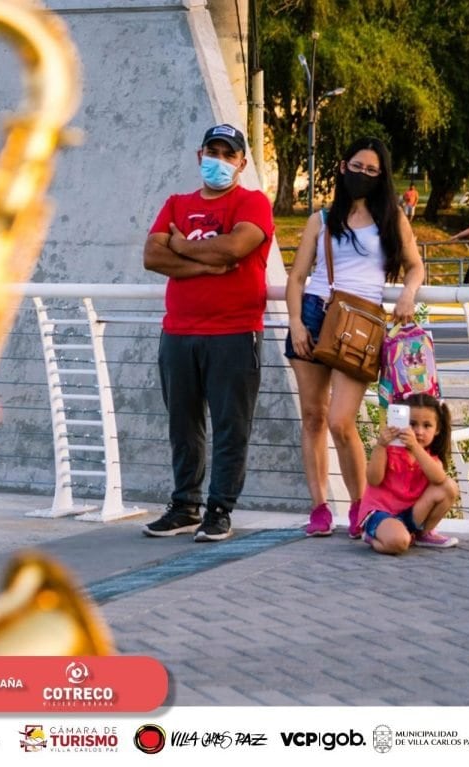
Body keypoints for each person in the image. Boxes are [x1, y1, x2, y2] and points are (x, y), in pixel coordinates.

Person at [285, 136, 425, 538]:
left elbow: (415, 267)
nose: (362, 174)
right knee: (312, 417)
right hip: (314, 315)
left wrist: (408, 295)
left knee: (341, 421)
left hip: (361, 325)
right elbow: (297, 277)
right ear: (343, 167)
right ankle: (319, 508)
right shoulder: (322, 219)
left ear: (381, 177)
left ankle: (362, 506)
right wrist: (295, 321)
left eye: (371, 170)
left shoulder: (392, 218)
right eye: (356, 166)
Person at [142, 123, 274, 542]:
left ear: (242, 162)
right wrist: (206, 265)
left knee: (231, 424)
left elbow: (236, 248)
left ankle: (219, 509)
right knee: (183, 422)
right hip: (179, 331)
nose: (218, 160)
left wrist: (180, 248)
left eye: (227, 154)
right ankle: (184, 505)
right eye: (212, 152)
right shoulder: (176, 203)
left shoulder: (253, 203)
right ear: (200, 156)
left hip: (235, 331)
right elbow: (151, 255)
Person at [359, 394, 459, 554]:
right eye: (412, 424)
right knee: (399, 542)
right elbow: (373, 480)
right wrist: (380, 446)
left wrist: (415, 448)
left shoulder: (429, 458)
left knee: (449, 487)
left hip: (409, 515)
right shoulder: (390, 450)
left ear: (437, 429)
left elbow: (440, 479)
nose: (419, 431)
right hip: (381, 513)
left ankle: (423, 534)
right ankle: (371, 537)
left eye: (427, 426)